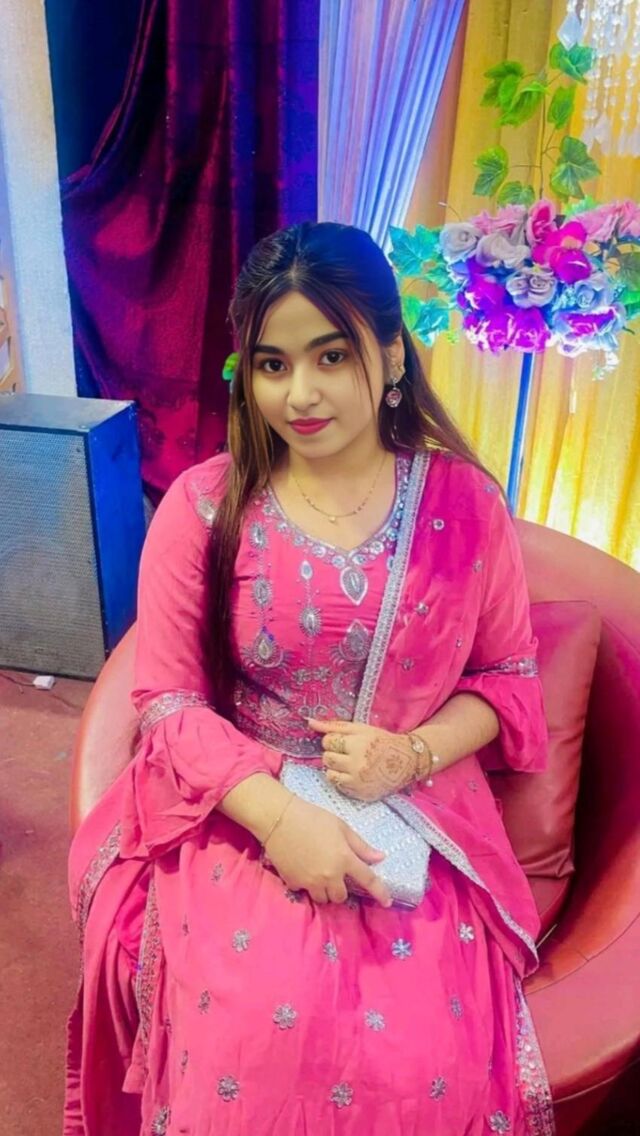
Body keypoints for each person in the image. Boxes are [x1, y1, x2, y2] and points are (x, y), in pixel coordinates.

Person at [64, 221, 555, 1136]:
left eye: (332, 355)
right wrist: (284, 821)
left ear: (392, 354)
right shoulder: (205, 504)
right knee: (255, 1036)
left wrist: (410, 754)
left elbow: (507, 676)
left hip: (414, 810)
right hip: (240, 802)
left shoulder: (464, 504)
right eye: (272, 364)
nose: (300, 394)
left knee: (425, 1058)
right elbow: (168, 701)